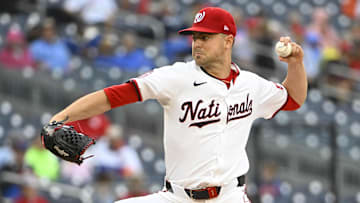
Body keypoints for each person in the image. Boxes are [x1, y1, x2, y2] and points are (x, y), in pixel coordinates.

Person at [48, 7, 307, 203]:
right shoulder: (176, 77)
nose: (197, 43)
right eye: (195, 36)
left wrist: (296, 63)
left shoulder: (250, 85)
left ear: (228, 41)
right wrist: (60, 118)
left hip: (229, 196)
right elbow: (113, 96)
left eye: (206, 37)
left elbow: (293, 99)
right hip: (177, 197)